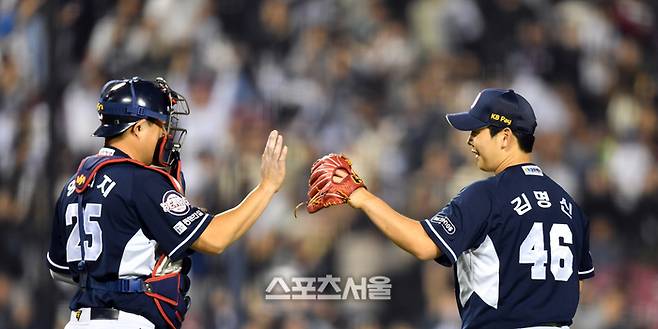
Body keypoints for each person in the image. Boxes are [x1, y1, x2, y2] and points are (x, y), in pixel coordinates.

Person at [307, 88, 594, 328]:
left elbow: (423, 244)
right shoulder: (568, 203)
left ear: (505, 137)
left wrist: (361, 197)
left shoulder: (487, 195)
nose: (469, 140)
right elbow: (576, 286)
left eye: (476, 131)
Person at [46, 77, 287, 329]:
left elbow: (60, 269)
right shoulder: (140, 179)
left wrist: (111, 270)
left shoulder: (73, 184)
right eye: (159, 123)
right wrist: (266, 187)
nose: (165, 132)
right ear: (138, 128)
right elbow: (216, 239)